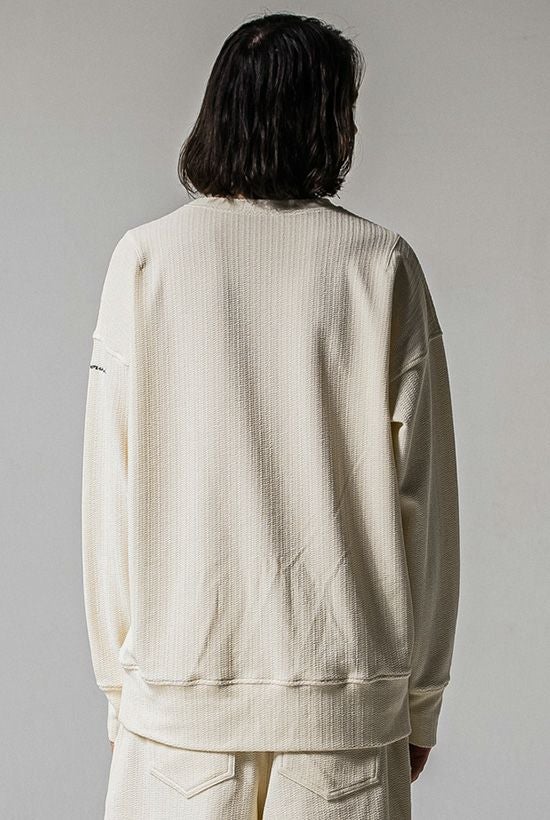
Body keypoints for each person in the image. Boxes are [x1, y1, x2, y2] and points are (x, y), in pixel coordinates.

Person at [81, 12, 460, 820]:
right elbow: (426, 508)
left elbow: (109, 496)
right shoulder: (380, 266)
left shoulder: (144, 262)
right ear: (326, 120)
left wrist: (123, 691)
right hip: (344, 718)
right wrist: (420, 701)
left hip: (179, 714)